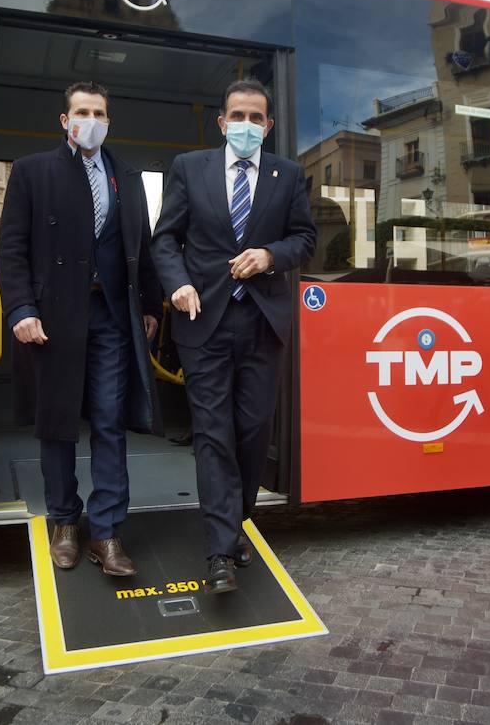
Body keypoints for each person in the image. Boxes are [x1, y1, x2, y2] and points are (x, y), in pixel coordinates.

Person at [151, 77, 316, 593]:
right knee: (213, 434)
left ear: (267, 126)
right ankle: (220, 549)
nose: (246, 125)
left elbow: (306, 239)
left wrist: (271, 256)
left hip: (263, 323)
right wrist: (177, 285)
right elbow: (165, 240)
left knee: (252, 433)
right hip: (204, 322)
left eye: (255, 118)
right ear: (222, 123)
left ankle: (235, 519)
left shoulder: (287, 175)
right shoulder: (189, 168)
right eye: (237, 117)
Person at [0, 82, 161, 574]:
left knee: (110, 423)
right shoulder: (32, 171)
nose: (92, 119)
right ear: (64, 120)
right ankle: (65, 522)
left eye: (100, 112)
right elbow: (11, 249)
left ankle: (107, 531)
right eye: (83, 111)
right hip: (52, 319)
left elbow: (143, 248)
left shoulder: (126, 176)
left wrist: (150, 305)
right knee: (58, 424)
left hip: (111, 316)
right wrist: (21, 309)